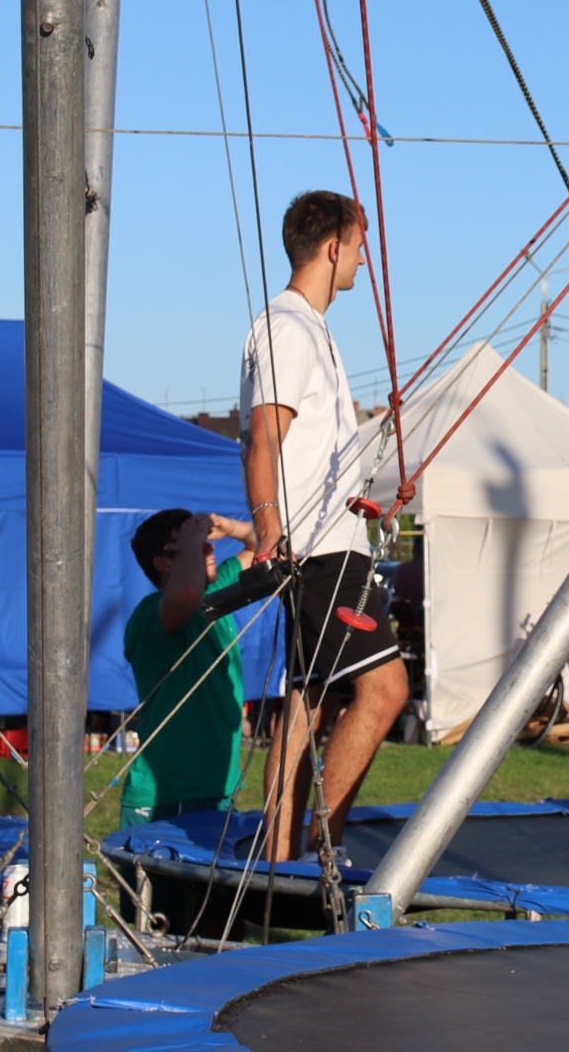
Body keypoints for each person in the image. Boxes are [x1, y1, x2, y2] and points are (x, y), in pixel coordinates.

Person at [241, 191, 408, 862]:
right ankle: (322, 852)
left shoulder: (311, 329)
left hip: (331, 542)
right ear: (333, 247)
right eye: (359, 247)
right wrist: (267, 525)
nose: (363, 260)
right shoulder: (288, 327)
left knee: (310, 703)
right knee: (386, 689)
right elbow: (262, 438)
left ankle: (281, 855)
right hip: (318, 551)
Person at [120, 510, 256, 828]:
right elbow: (185, 594)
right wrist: (194, 540)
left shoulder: (215, 591)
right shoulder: (149, 613)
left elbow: (267, 545)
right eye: (194, 546)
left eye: (206, 543)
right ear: (164, 564)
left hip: (218, 789)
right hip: (165, 797)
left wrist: (231, 527)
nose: (209, 548)